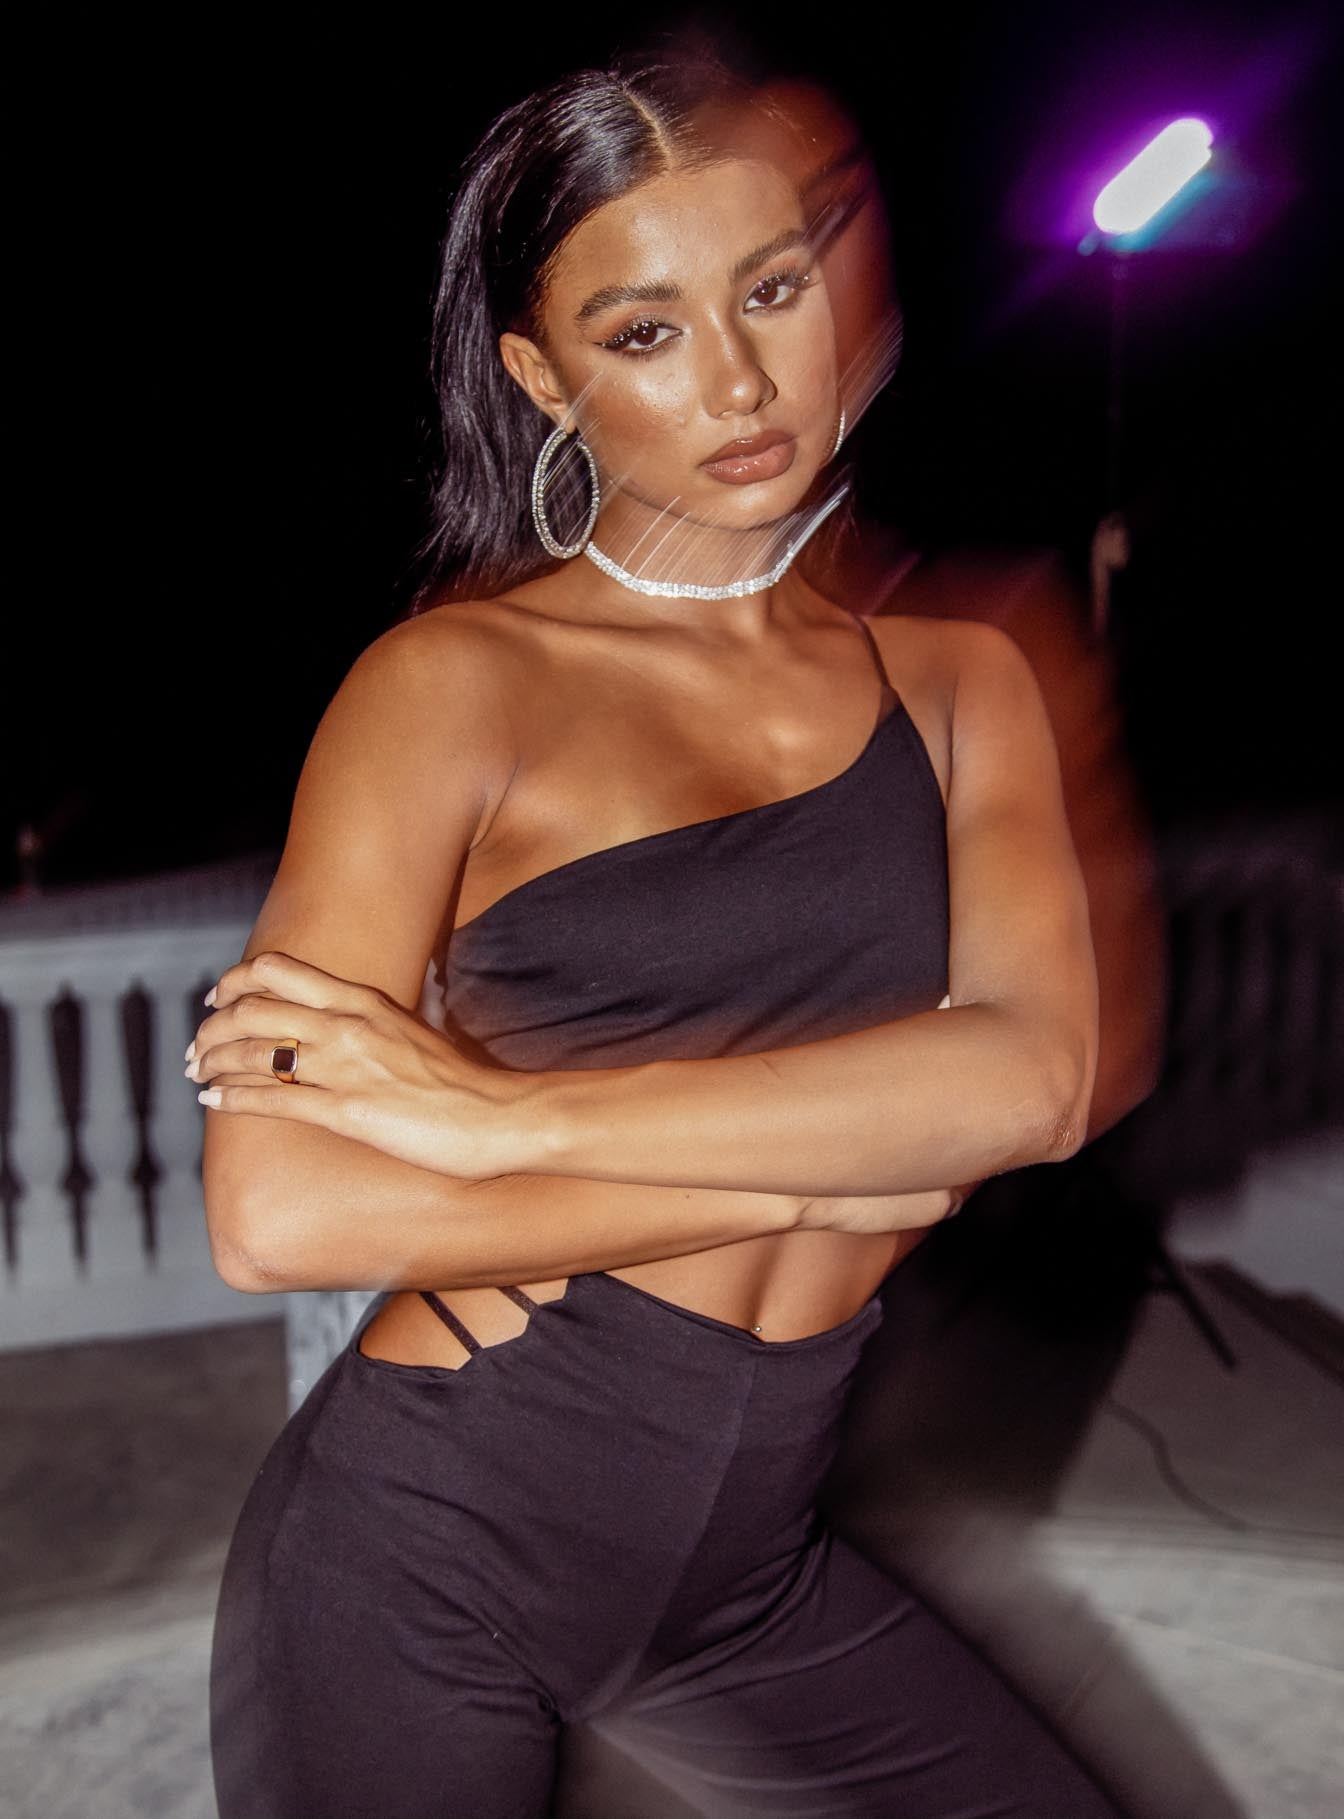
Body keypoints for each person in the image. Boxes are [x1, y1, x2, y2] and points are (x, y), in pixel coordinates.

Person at [197, 54, 1119, 1817]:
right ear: (543, 378)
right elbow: (282, 1208)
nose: (740, 380)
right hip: (427, 1556)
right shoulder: (451, 686)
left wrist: (511, 1121)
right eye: (644, 331)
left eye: (771, 291)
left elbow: (1033, 1082)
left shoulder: (957, 686)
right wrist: (817, 1184)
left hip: (740, 1574)